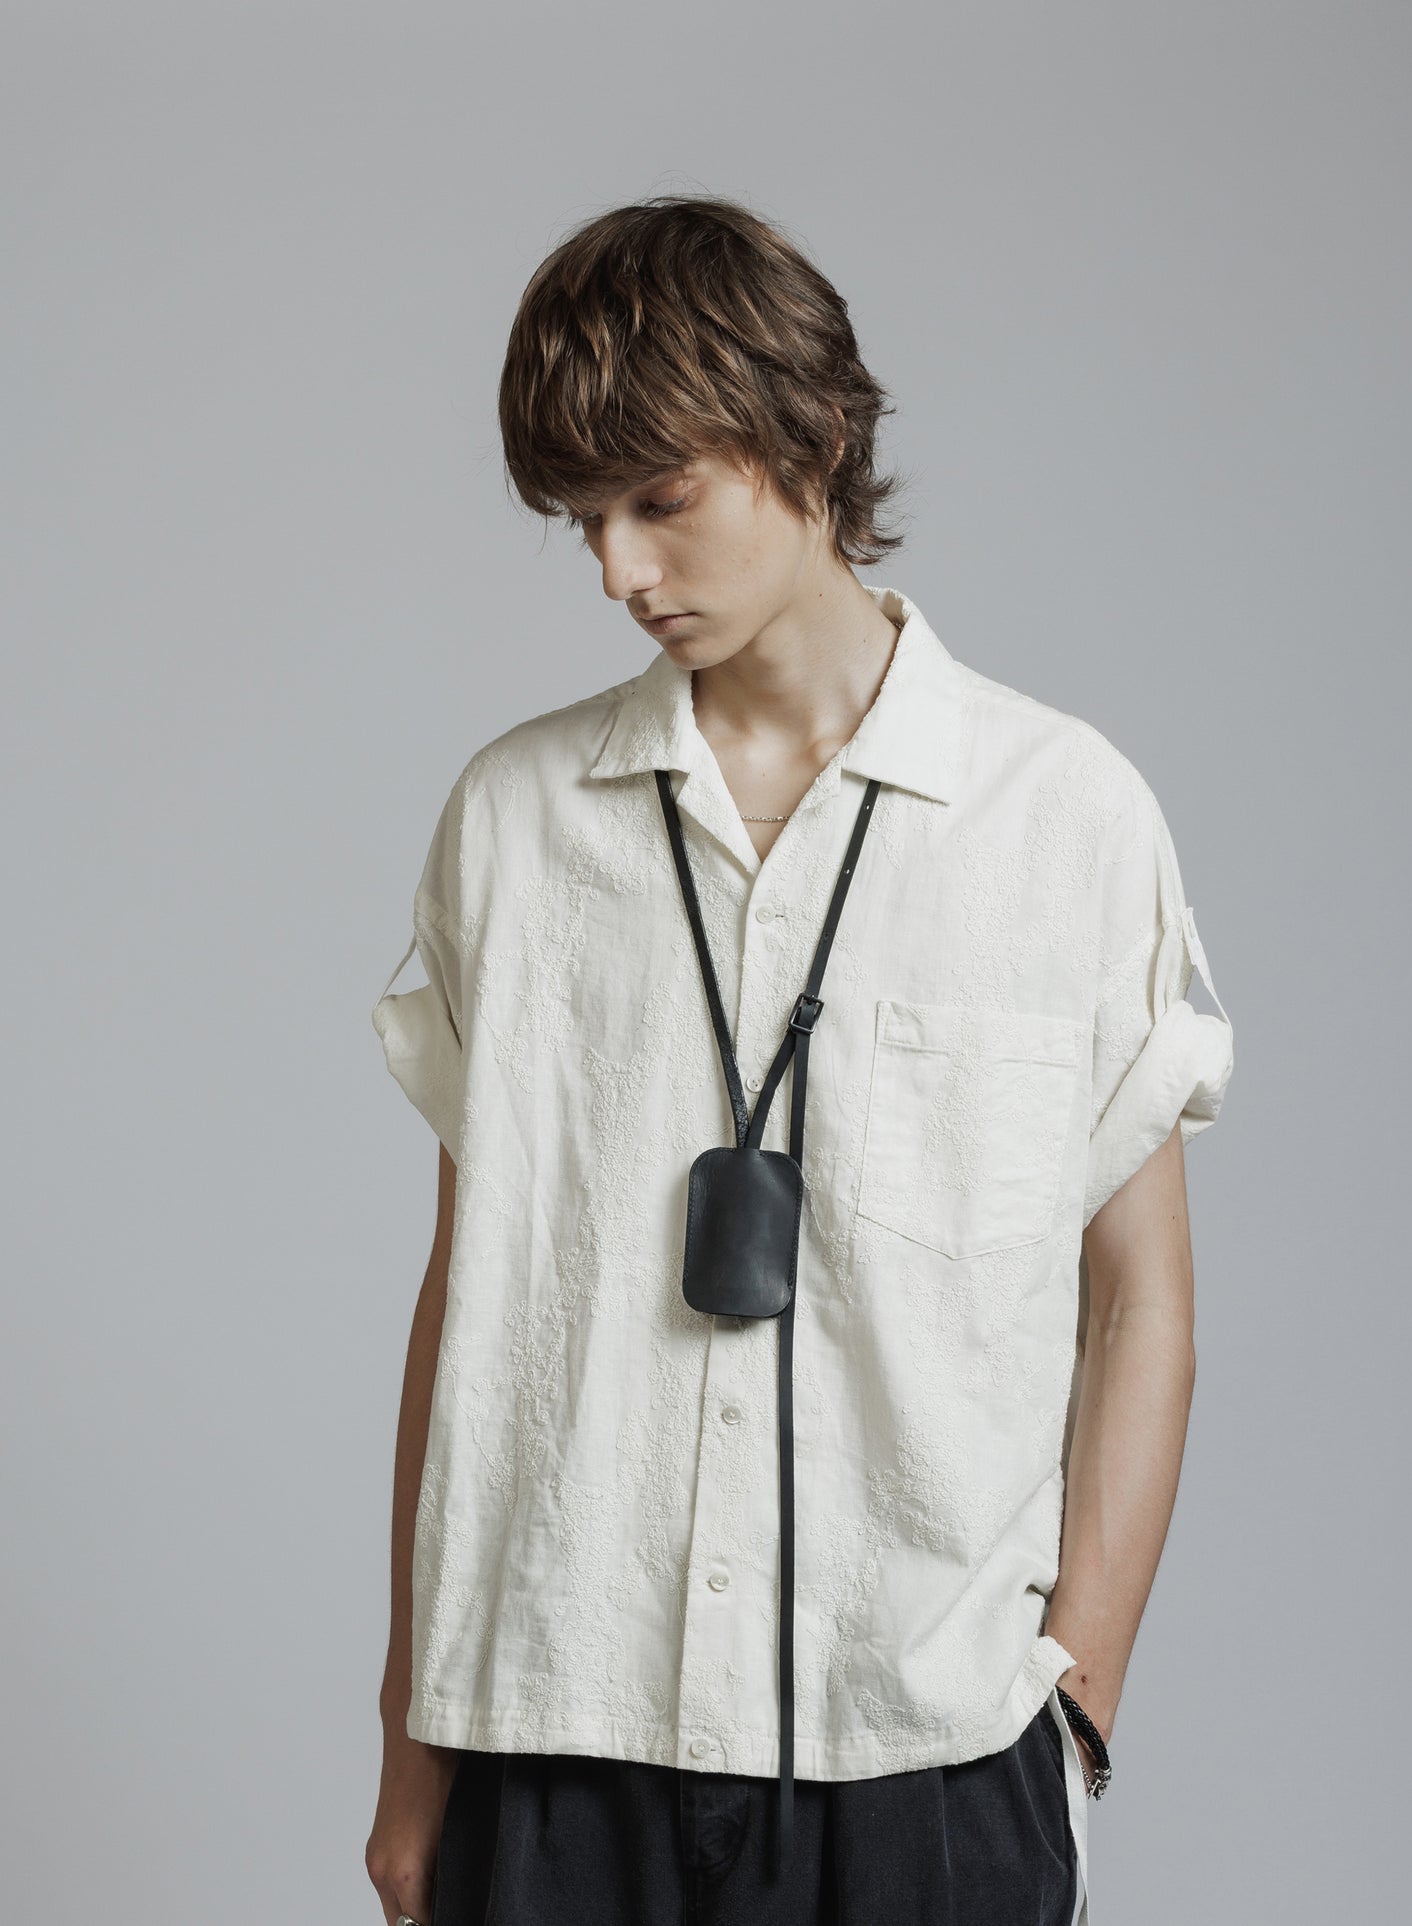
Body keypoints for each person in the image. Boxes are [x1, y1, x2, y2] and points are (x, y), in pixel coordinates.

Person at [363, 195, 1234, 1926]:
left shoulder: (1060, 819)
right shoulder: (515, 823)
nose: (617, 572)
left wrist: (1073, 1709)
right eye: (584, 521)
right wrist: (411, 1748)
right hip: (551, 1738)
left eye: (658, 498)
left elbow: (1139, 1301)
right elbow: (470, 1290)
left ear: (813, 436)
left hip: (921, 1752)